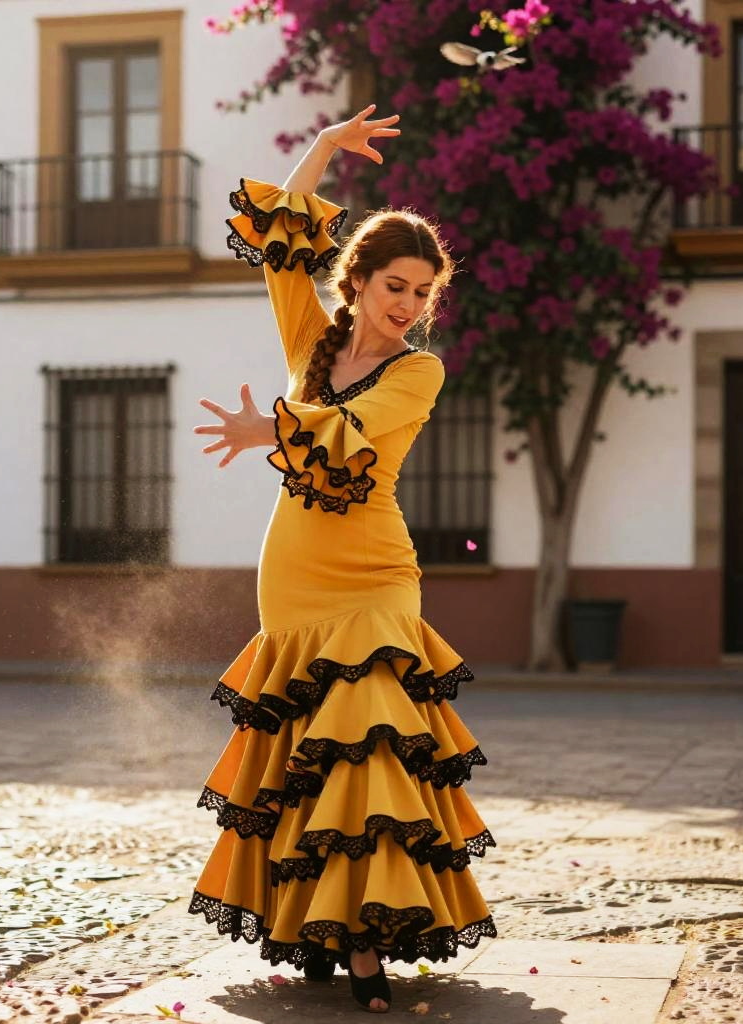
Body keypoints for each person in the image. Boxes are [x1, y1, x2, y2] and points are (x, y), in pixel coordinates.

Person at [188, 104, 496, 1014]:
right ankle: (311, 929)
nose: (408, 305)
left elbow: (350, 433)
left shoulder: (419, 373)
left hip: (375, 574)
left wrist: (267, 426)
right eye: (395, 285)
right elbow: (285, 242)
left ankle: (369, 944)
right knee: (301, 753)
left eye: (421, 293)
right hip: (292, 570)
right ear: (358, 281)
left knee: (370, 745)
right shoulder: (309, 344)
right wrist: (321, 150)